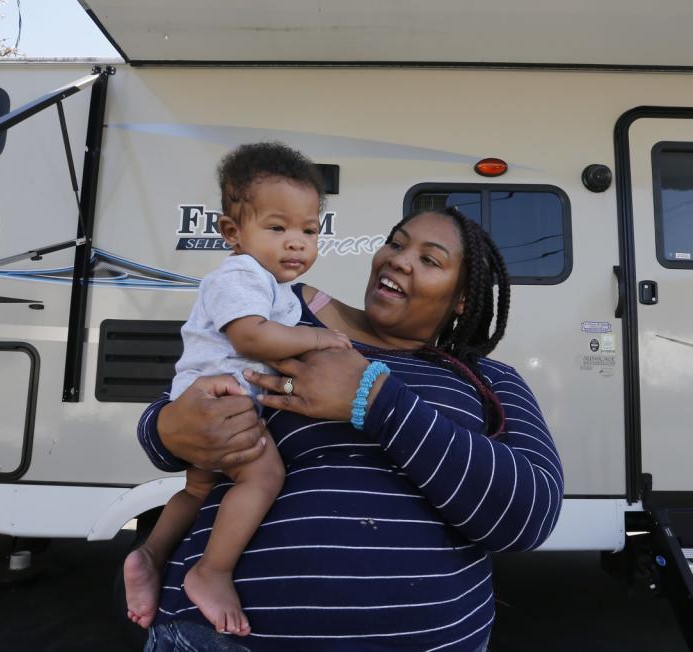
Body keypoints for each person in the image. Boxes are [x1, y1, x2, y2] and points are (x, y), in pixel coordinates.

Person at [136, 206, 565, 651]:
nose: (399, 259)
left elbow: (527, 516)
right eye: (396, 243)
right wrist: (169, 427)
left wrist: (378, 401)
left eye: (430, 259)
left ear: (461, 298)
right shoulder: (284, 319)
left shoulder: (489, 381)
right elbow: (173, 411)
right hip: (218, 638)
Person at [124, 142, 351, 635]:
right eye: (277, 228)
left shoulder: (276, 287)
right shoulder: (241, 274)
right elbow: (251, 337)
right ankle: (212, 572)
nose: (296, 243)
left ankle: (149, 556)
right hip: (222, 399)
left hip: (217, 395)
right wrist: (316, 340)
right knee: (263, 478)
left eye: (309, 231)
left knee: (195, 491)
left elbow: (272, 353)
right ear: (233, 232)